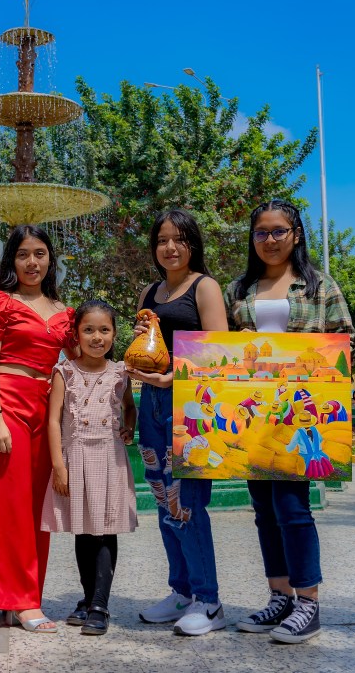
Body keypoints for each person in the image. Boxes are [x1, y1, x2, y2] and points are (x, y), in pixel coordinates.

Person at [224, 200, 355, 644]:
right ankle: (279, 596)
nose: (270, 240)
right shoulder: (239, 289)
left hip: (301, 412)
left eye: (279, 231)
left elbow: (347, 343)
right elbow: (216, 352)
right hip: (254, 416)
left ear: (296, 234)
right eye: (261, 233)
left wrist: (298, 349)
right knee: (263, 510)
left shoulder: (319, 285)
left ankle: (308, 603)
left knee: (293, 509)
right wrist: (233, 342)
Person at [129, 208, 228, 637]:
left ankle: (209, 600)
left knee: (188, 504)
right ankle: (181, 591)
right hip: (150, 400)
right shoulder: (149, 293)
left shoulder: (205, 288)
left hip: (190, 405)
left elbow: (218, 355)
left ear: (193, 244)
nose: (170, 247)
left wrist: (174, 378)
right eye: (162, 240)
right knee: (164, 502)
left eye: (179, 239)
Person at [0, 224, 74, 633]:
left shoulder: (64, 311)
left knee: (39, 509)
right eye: (23, 254)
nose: (32, 262)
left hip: (46, 411)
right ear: (11, 261)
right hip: (8, 405)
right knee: (12, 506)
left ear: (51, 259)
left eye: (40, 254)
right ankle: (21, 600)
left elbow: (85, 356)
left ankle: (23, 594)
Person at [41, 299, 138, 636]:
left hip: (110, 459)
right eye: (89, 330)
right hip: (75, 457)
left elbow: (129, 407)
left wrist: (130, 427)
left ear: (114, 334)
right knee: (83, 530)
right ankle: (86, 599)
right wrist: (59, 465)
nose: (98, 337)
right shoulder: (64, 372)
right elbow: (54, 421)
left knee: (105, 528)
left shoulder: (121, 372)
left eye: (105, 330)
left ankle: (100, 604)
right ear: (77, 334)